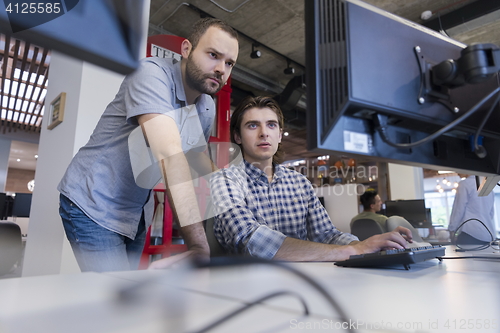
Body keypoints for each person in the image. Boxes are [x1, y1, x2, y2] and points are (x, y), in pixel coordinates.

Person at [58, 18, 239, 272]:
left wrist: (229, 182)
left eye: (229, 63)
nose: (221, 69)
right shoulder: (151, 74)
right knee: (113, 298)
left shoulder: (206, 107)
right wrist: (198, 245)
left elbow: (193, 154)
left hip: (136, 211)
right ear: (186, 49)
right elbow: (171, 154)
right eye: (213, 55)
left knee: (128, 293)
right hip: (94, 202)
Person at [210, 96, 413, 261]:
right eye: (252, 126)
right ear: (237, 136)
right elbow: (251, 241)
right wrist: (350, 251)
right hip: (247, 291)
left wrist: (362, 246)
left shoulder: (299, 183)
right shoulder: (225, 181)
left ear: (280, 135)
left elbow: (327, 235)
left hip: (305, 284)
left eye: (271, 125)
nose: (264, 133)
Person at [448, 174, 495, 245]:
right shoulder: (487, 186)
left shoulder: (464, 184)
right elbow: (491, 214)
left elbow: (458, 210)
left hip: (470, 233)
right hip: (488, 235)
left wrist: (452, 229)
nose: (456, 172)